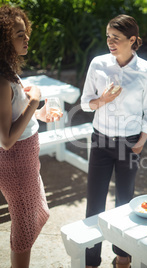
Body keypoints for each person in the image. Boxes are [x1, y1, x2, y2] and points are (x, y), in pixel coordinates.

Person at [80, 14, 147, 268]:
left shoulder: (146, 70)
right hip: (101, 142)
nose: (110, 42)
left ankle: (123, 256)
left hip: (130, 144)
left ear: (132, 40)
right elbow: (84, 103)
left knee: (125, 203)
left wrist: (141, 140)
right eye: (108, 37)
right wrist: (102, 100)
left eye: (116, 38)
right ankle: (91, 260)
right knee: (95, 204)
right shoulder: (98, 64)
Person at [0, 5, 61, 268]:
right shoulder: (1, 81)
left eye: (25, 32)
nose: (26, 38)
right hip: (15, 164)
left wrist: (39, 113)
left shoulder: (8, 73)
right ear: (4, 40)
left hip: (27, 162)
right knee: (24, 232)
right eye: (18, 34)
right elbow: (5, 139)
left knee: (39, 214)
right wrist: (34, 101)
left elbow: (16, 117)